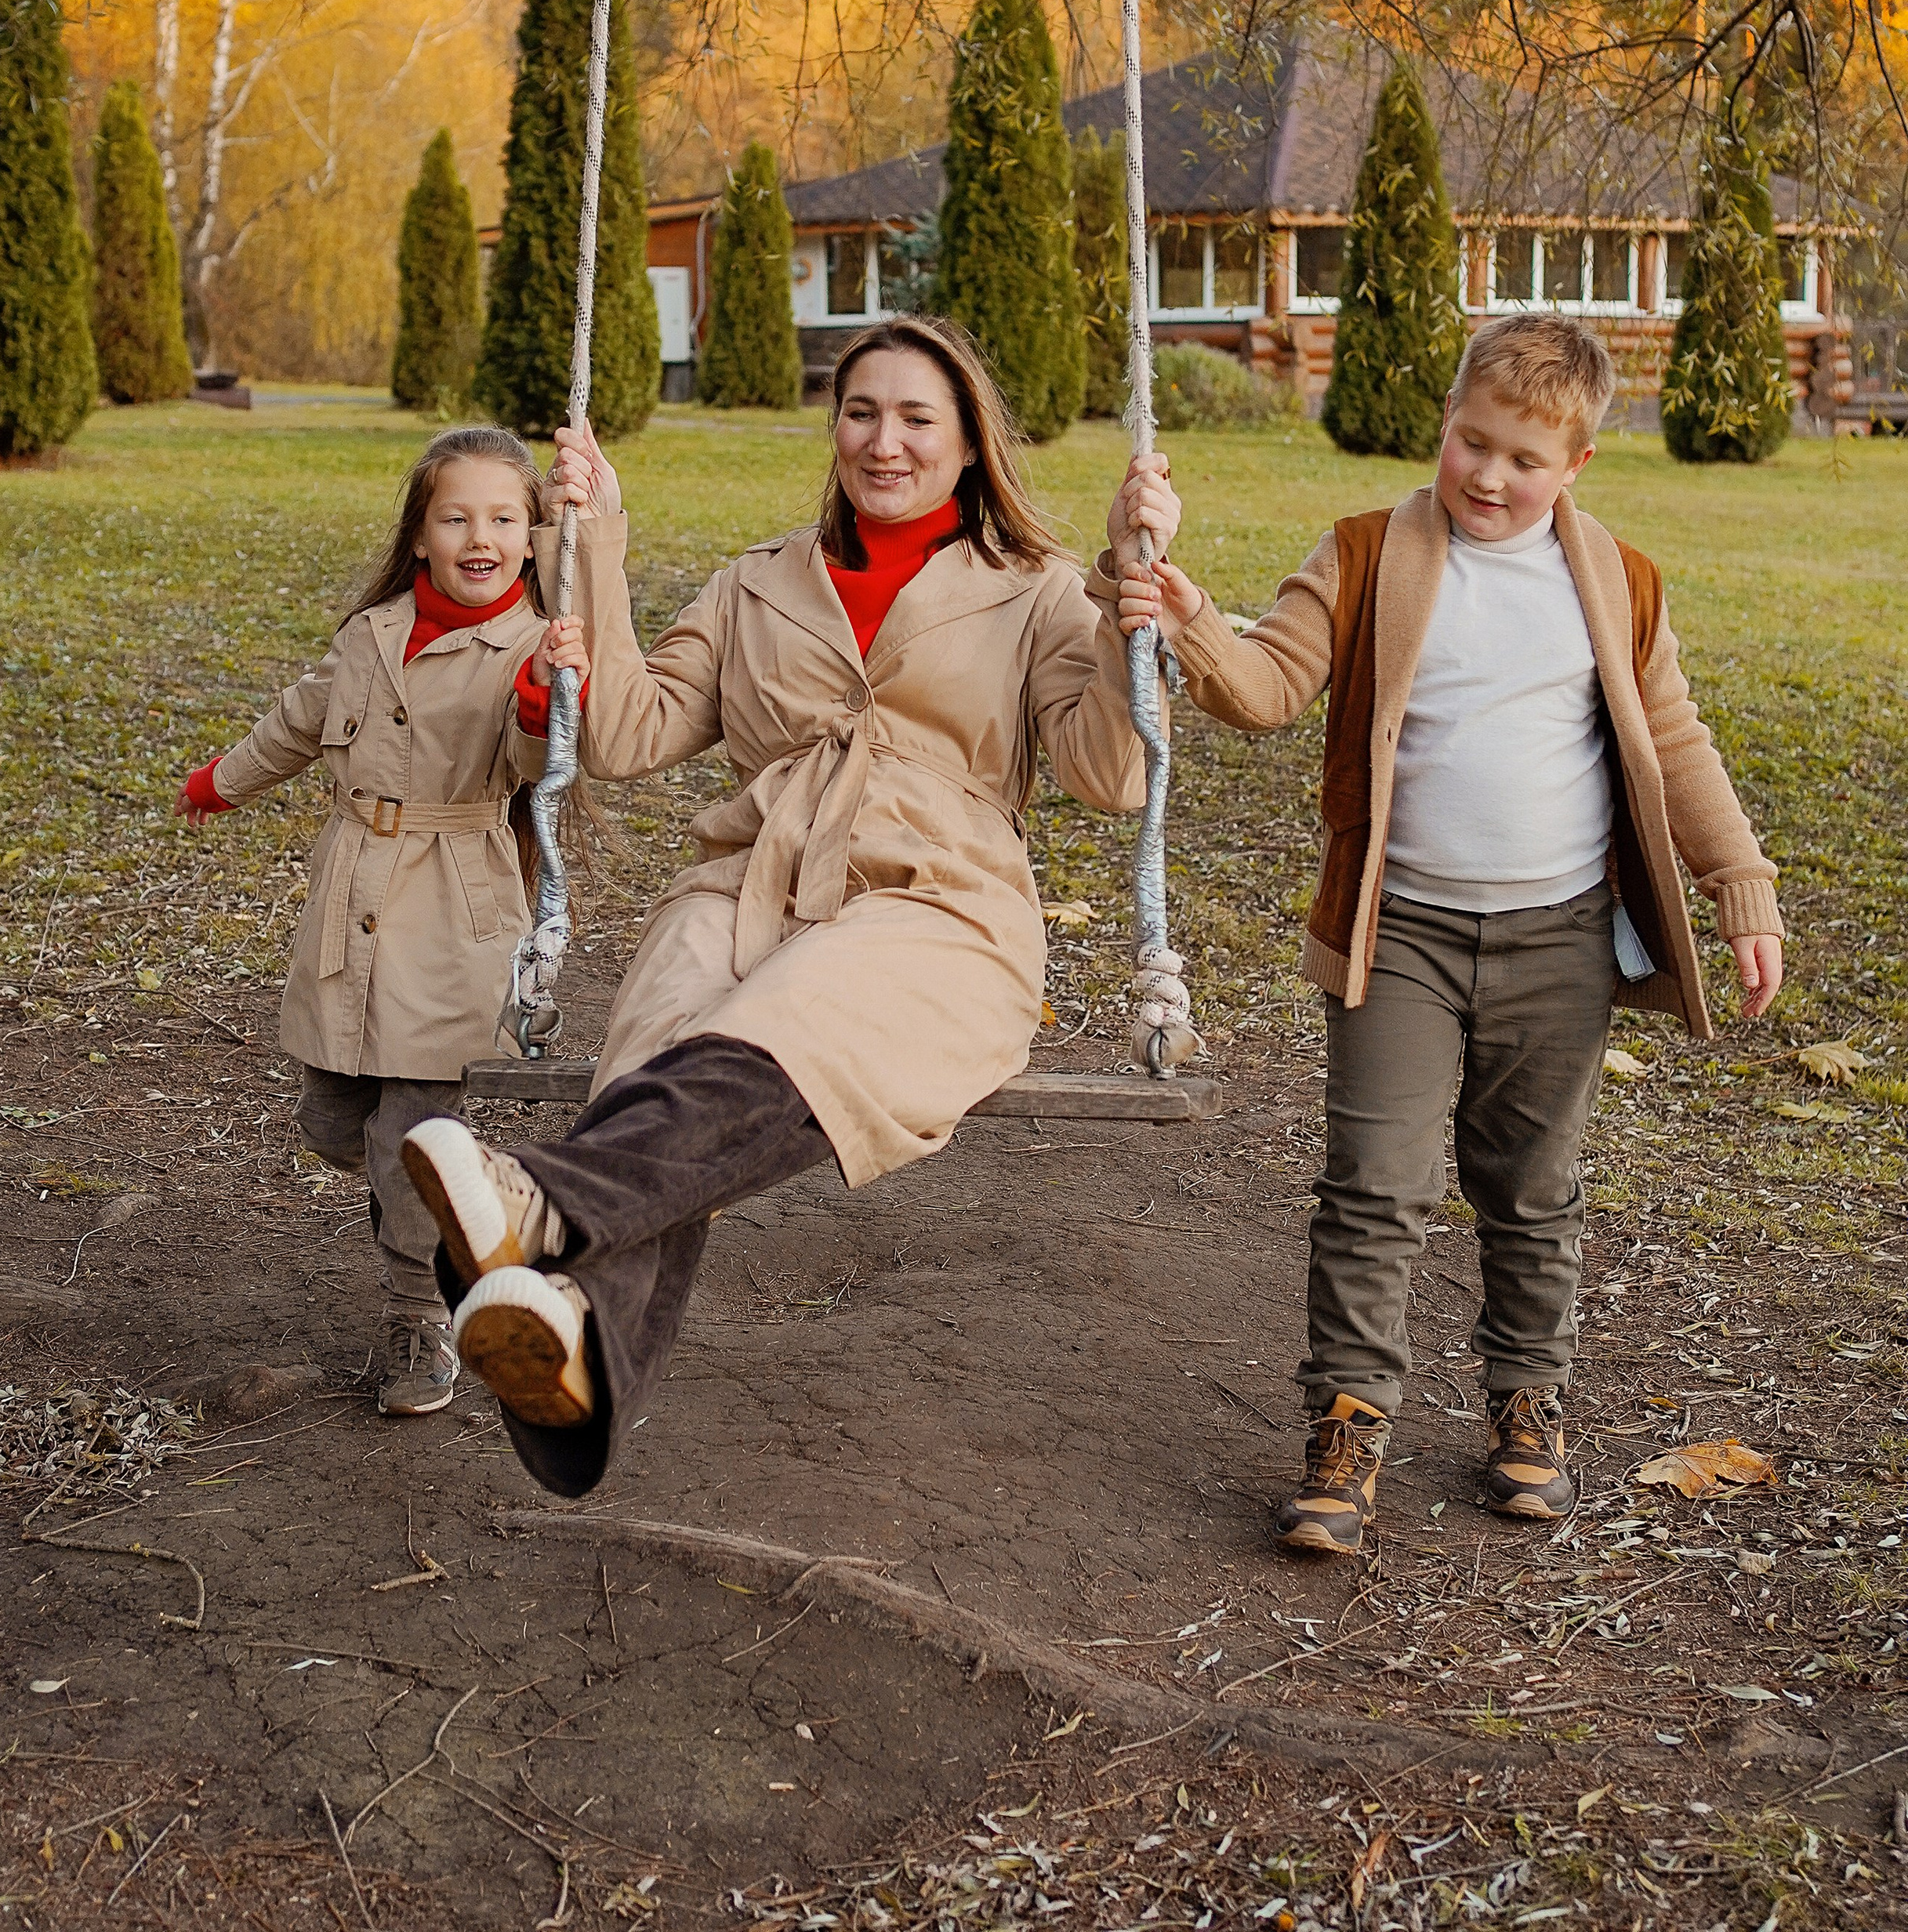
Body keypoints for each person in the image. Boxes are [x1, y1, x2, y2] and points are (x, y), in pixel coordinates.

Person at [400, 314, 1177, 1497]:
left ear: (969, 441)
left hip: (940, 901)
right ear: (834, 428)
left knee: (791, 1025)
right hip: (752, 878)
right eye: (862, 413)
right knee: (657, 1042)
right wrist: (592, 541)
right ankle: (576, 1364)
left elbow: (1110, 776)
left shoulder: (1035, 594)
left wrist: (1132, 603)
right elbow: (625, 733)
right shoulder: (758, 585)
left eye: (919, 418)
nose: (886, 442)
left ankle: (545, 1203)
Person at [1110, 311, 1784, 1557]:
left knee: (1531, 1189)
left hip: (1561, 941)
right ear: (1446, 422)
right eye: (1470, 442)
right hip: (1403, 934)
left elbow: (1674, 742)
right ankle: (1349, 1422)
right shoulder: (1371, 554)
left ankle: (1528, 1405)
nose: (1486, 476)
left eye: (1523, 460)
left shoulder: (1618, 583)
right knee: (1375, 1186)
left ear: (1575, 466)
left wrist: (1739, 884)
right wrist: (1188, 612)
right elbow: (1260, 691)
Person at [178, 424, 581, 1416]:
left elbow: (543, 768)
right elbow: (301, 717)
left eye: (502, 517)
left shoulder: (535, 646)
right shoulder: (372, 635)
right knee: (331, 1122)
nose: (478, 535)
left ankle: (418, 1328)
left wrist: (540, 705)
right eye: (456, 516)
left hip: (457, 909)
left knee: (408, 1134)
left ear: (532, 540)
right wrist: (220, 783)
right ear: (420, 536)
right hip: (354, 894)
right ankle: (470, 1189)